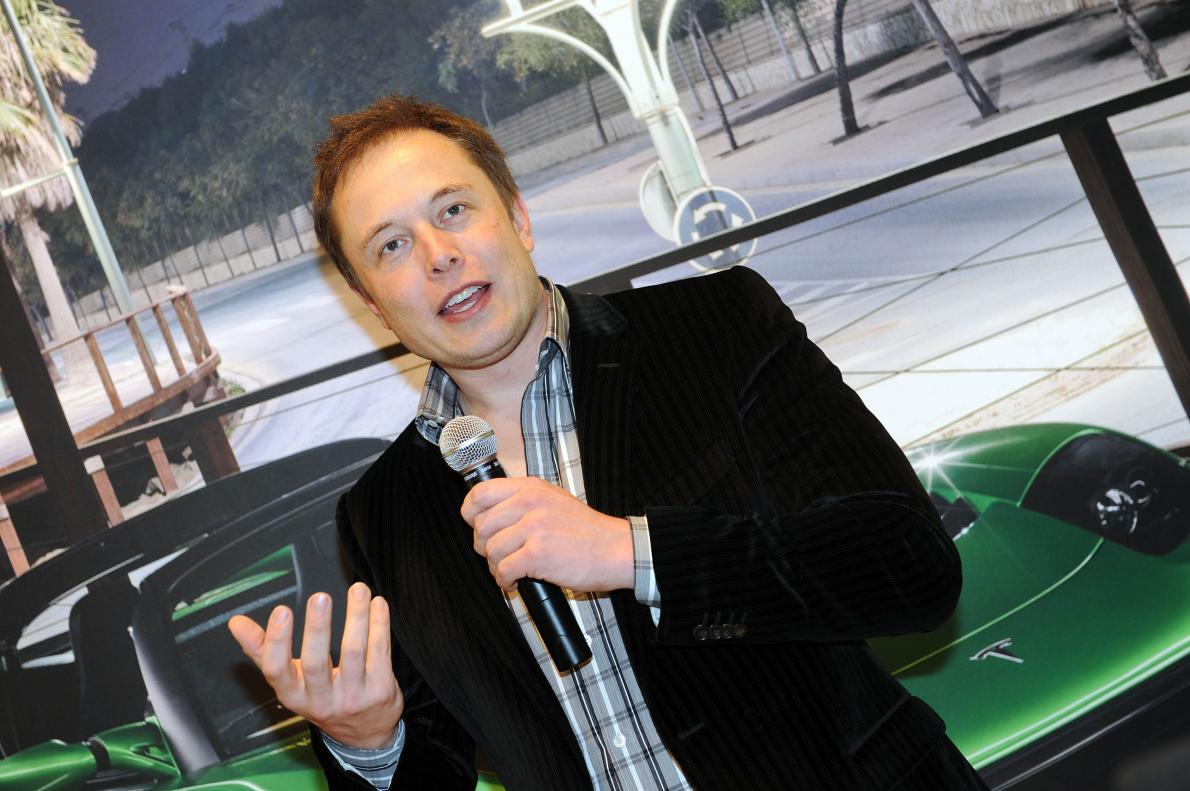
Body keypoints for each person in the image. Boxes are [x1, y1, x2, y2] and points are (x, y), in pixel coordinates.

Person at [228, 94, 987, 790]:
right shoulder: (382, 513)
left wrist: (630, 552)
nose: (437, 255)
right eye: (391, 246)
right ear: (372, 302)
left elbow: (909, 565)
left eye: (453, 210)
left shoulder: (717, 326)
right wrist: (370, 742)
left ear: (517, 217)